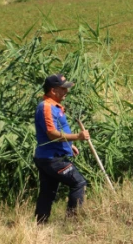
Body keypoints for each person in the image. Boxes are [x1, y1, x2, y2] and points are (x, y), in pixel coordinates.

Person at [33, 74, 91, 223]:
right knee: (78, 182)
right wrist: (77, 136)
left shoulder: (54, 106)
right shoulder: (46, 107)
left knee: (48, 192)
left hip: (49, 156)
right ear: (53, 90)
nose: (66, 92)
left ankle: (40, 225)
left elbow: (57, 133)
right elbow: (52, 134)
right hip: (51, 159)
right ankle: (72, 222)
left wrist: (69, 145)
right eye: (63, 89)